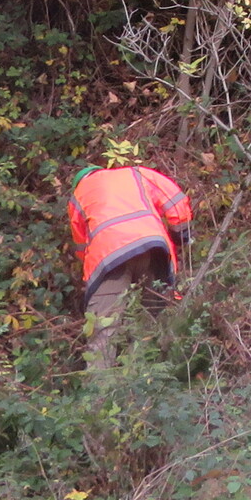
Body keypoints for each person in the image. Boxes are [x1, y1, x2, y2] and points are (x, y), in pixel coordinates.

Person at [68, 157, 194, 371]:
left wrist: (93, 280)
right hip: (153, 248)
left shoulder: (79, 195)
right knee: (151, 320)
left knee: (104, 329)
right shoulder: (136, 173)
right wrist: (181, 235)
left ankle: (100, 385)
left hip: (109, 257)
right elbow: (175, 200)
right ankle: (150, 376)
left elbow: (82, 246)